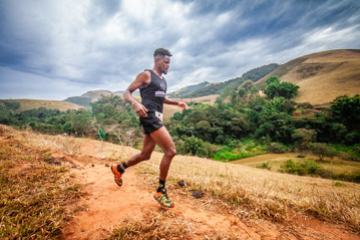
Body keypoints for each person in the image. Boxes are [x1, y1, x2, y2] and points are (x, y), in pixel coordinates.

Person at [111, 48, 187, 208]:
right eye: (166, 62)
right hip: (148, 116)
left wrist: (176, 103)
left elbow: (161, 97)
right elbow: (127, 92)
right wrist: (135, 103)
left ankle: (119, 168)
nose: (168, 66)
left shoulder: (162, 81)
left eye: (169, 63)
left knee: (145, 155)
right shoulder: (146, 75)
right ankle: (161, 191)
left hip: (156, 117)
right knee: (171, 151)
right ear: (157, 61)